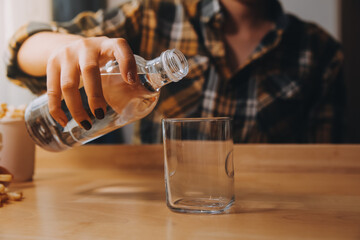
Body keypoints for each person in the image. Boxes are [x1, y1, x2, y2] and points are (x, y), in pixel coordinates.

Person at [5, 0, 345, 143]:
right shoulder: (156, 13)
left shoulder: (318, 50)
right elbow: (21, 47)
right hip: (156, 211)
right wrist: (74, 48)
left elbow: (324, 162)